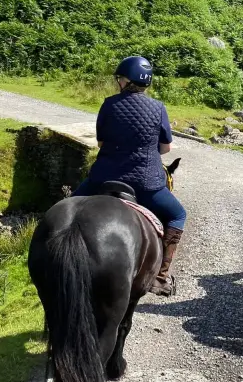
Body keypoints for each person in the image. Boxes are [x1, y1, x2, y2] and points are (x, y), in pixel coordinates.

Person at [72, 56, 187, 296]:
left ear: (125, 80)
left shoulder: (109, 104)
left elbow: (101, 142)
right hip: (145, 184)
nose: (118, 83)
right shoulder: (158, 107)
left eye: (119, 79)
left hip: (103, 179)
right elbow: (165, 149)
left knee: (67, 207)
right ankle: (160, 277)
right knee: (177, 215)